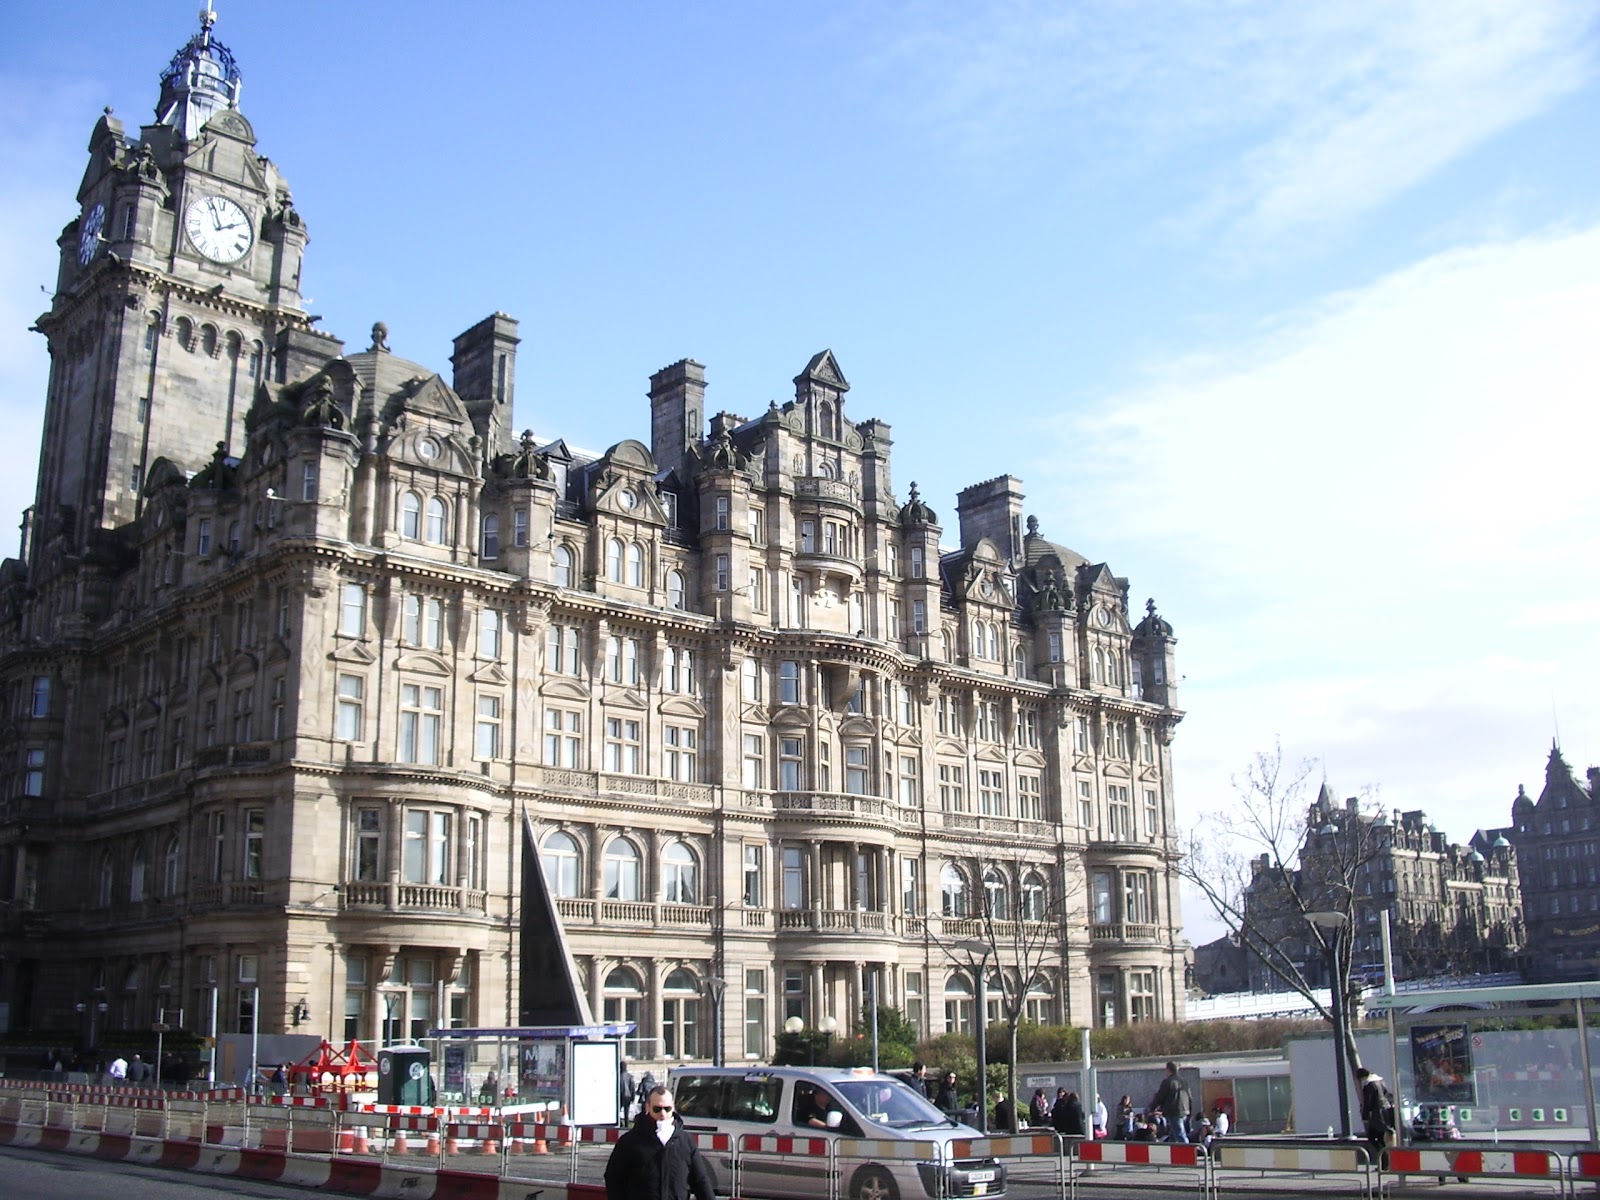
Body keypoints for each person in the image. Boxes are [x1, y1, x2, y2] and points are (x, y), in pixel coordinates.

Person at [604, 1085, 715, 1200]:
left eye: (667, 1109)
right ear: (648, 1107)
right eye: (657, 1109)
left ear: (673, 1107)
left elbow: (700, 1181)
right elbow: (614, 1179)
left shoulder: (685, 1141)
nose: (662, 1114)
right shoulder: (630, 1141)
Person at [1149, 1061, 1192, 1144]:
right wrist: (1190, 1110)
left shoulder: (1167, 1082)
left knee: (1180, 1135)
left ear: (1168, 1070)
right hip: (1185, 1110)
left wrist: (1152, 1108)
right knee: (1173, 1134)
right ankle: (1173, 1152)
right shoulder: (1183, 1082)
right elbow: (1189, 1097)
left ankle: (1188, 1153)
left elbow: (1160, 1096)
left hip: (1174, 1111)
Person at [1356, 1067, 1395, 1156]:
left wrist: (1365, 1116)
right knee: (1381, 1137)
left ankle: (1384, 1158)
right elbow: (1388, 1095)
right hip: (1385, 1111)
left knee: (1372, 1137)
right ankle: (1384, 1162)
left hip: (1376, 1114)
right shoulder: (1380, 1081)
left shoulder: (1368, 1084)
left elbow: (1367, 1102)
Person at [619, 1059, 637, 1123]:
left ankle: (620, 1123)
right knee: (626, 1111)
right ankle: (626, 1124)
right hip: (628, 1096)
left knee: (618, 1111)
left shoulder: (618, 1076)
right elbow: (632, 1087)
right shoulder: (630, 1076)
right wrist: (633, 1097)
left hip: (620, 1095)